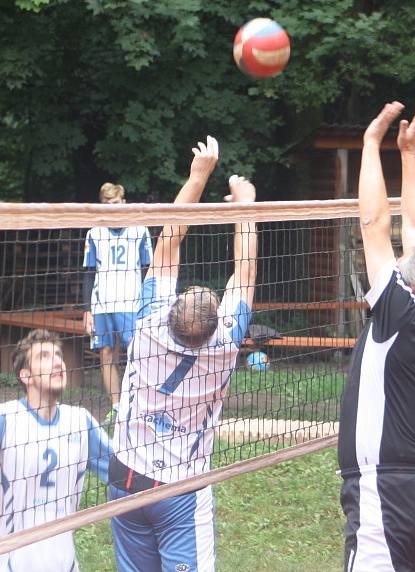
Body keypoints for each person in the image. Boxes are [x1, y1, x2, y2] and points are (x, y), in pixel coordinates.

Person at [108, 136, 257, 572]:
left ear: (173, 309)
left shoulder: (149, 323)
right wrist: (245, 207)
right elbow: (244, 271)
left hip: (126, 478)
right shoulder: (226, 345)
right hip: (180, 487)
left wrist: (198, 176)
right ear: (216, 319)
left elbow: (169, 241)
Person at [337, 101, 415, 571]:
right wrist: (409, 154)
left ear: (408, 283)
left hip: (383, 488)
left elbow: (374, 225)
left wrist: (371, 144)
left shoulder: (399, 312)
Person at [0, 329, 111, 571]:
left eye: (58, 354)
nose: (57, 361)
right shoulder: (6, 420)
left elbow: (123, 474)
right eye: (44, 356)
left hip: (65, 562)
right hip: (11, 562)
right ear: (26, 376)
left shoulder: (81, 421)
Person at [83, 182, 153, 423]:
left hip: (132, 304)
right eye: (106, 204)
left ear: (123, 202)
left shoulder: (139, 230)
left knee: (138, 354)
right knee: (106, 353)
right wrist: (87, 310)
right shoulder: (94, 232)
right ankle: (116, 406)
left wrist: (150, 303)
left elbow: (149, 270)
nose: (111, 208)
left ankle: (139, 405)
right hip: (102, 304)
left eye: (115, 203)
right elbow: (88, 273)